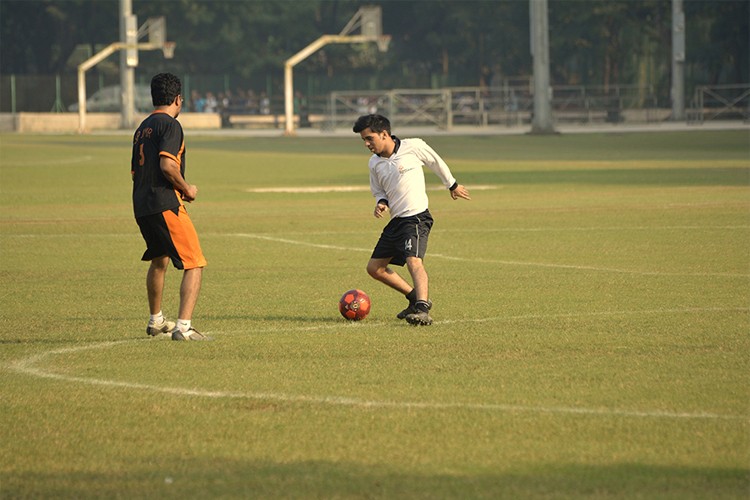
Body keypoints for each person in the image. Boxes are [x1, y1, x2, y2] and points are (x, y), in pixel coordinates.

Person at [352, 114, 471, 326]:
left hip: (416, 217)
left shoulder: (413, 146)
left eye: (369, 138)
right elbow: (379, 189)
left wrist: (452, 185)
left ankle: (423, 309)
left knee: (413, 261)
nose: (366, 144)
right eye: (364, 140)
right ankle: (414, 298)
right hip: (396, 220)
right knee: (374, 268)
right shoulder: (374, 163)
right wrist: (381, 202)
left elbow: (435, 161)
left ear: (384, 134)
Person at [131, 73, 208, 341]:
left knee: (160, 260)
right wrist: (186, 188)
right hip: (165, 204)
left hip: (142, 205)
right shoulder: (171, 125)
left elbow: (135, 172)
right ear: (178, 99)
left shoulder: (142, 128)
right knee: (194, 263)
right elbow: (167, 165)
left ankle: (157, 321)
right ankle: (184, 328)